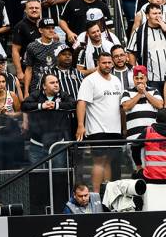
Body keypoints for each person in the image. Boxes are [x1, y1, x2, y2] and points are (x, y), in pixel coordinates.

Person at [76, 53, 124, 193]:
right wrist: (80, 125)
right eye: (104, 63)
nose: (107, 65)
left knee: (108, 161)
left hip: (115, 129)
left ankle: (107, 194)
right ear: (98, 63)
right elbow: (82, 102)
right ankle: (96, 194)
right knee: (99, 161)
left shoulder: (116, 80)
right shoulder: (90, 80)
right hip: (97, 129)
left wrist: (123, 127)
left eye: (110, 62)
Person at [21, 74, 76, 166]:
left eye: (57, 82)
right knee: (36, 174)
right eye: (52, 83)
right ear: (44, 86)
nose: (56, 85)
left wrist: (56, 105)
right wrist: (41, 106)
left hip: (57, 144)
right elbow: (24, 106)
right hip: (37, 144)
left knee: (58, 174)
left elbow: (74, 105)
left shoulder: (63, 95)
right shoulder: (36, 95)